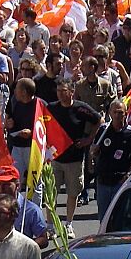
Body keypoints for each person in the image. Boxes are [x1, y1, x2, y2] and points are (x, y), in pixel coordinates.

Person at [47, 80, 102, 234]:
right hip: (55, 159)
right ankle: (50, 226)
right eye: (58, 91)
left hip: (74, 159)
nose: (60, 94)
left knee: (73, 193)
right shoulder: (51, 108)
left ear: (71, 91)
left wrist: (89, 139)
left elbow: (98, 120)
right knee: (52, 194)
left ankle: (68, 224)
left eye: (63, 90)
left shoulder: (81, 108)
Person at [91, 100, 131, 219]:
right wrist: (94, 151)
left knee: (119, 216)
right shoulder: (103, 130)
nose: (117, 115)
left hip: (120, 182)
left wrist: (129, 174)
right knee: (103, 216)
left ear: (126, 113)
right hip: (103, 181)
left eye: (120, 112)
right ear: (110, 113)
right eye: (114, 112)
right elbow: (95, 152)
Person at [0, 167, 48, 248]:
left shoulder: (31, 210)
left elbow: (43, 239)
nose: (2, 188)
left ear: (17, 185)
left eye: (7, 184)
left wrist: (25, 246)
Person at [4, 77, 38, 181]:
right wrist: (9, 124)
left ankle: (34, 198)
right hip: (17, 147)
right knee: (14, 179)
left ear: (24, 92)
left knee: (35, 181)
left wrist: (32, 133)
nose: (14, 91)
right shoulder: (14, 102)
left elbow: (46, 127)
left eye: (17, 88)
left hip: (33, 148)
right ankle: (14, 198)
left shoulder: (40, 105)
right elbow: (7, 121)